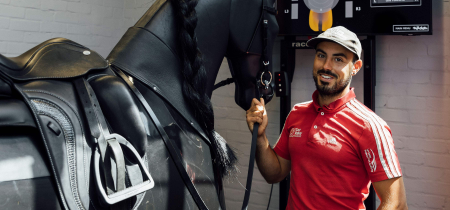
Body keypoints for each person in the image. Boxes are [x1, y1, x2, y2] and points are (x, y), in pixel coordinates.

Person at [246, 26, 407, 209]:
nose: (326, 66)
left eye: (338, 59)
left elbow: (396, 204)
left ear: (355, 67)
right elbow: (274, 174)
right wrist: (260, 137)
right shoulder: (297, 113)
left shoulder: (369, 126)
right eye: (321, 55)